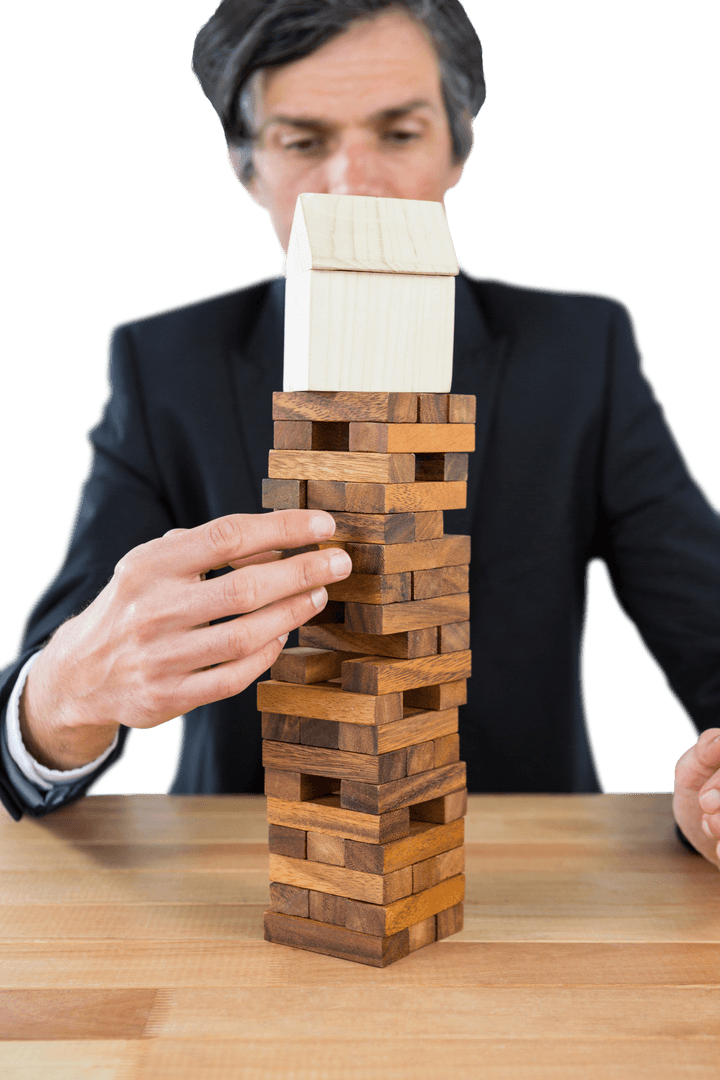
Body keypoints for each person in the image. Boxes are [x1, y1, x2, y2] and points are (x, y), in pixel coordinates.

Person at [1, 0, 719, 869]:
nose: (354, 186)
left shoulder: (580, 349)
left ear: (459, 147)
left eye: (399, 132)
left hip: (525, 873)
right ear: (246, 168)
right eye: (304, 142)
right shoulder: (164, 364)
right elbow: (41, 705)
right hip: (246, 877)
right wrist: (66, 698)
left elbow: (708, 630)